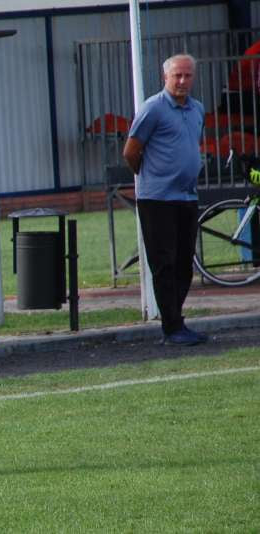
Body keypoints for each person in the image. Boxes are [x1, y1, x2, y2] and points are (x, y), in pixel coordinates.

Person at [123, 54, 208, 346]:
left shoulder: (198, 109)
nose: (182, 81)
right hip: (157, 199)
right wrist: (150, 177)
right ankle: (172, 327)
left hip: (186, 196)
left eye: (187, 76)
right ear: (166, 78)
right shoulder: (153, 109)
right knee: (164, 263)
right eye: (177, 76)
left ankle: (176, 318)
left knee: (184, 262)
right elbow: (131, 151)